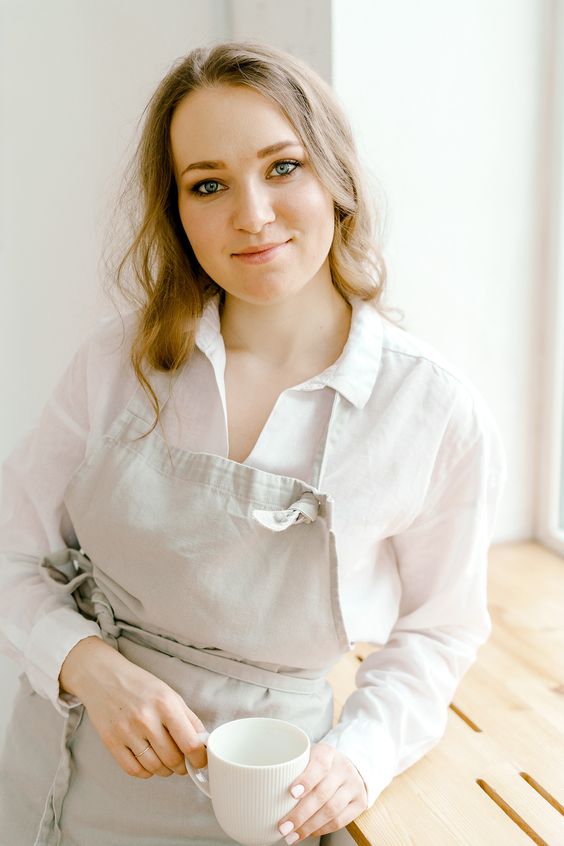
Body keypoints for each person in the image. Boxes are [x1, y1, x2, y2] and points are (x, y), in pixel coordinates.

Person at [0, 41, 506, 846]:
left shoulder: (429, 411)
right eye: (209, 185)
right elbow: (13, 552)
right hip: (59, 787)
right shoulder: (117, 362)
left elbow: (440, 630)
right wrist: (85, 664)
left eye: (282, 168)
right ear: (178, 212)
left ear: (335, 178)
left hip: (267, 808)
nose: (253, 215)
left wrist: (360, 758)